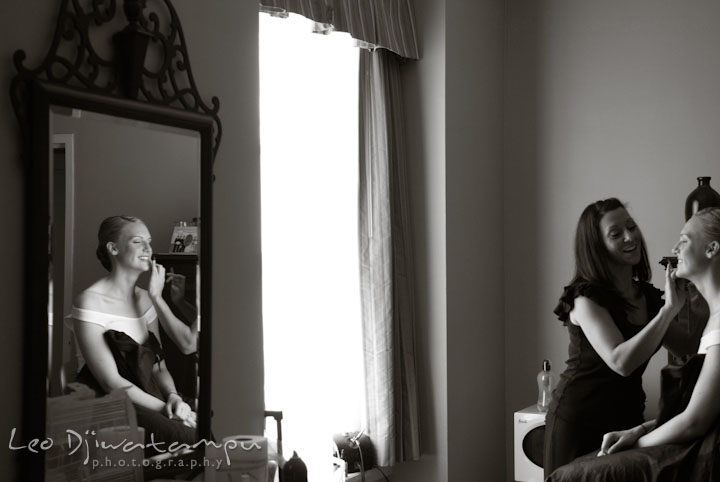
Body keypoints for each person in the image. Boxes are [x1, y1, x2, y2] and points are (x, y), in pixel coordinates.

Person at [547, 207, 720, 482]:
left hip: (628, 416)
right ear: (597, 247)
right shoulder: (585, 299)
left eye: (631, 226)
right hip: (581, 418)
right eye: (616, 233)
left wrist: (702, 299)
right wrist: (668, 312)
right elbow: (621, 362)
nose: (630, 236)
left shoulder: (646, 297)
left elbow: (689, 347)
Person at [71, 215, 198, 452]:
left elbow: (159, 367)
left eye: (149, 242)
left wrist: (173, 397)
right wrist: (164, 408)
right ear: (113, 248)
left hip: (151, 392)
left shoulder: (144, 297)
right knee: (190, 437)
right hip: (113, 403)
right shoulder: (89, 301)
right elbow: (111, 382)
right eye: (138, 241)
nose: (149, 249)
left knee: (207, 426)